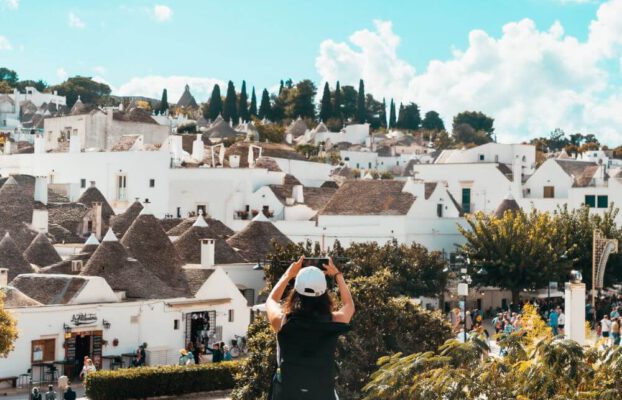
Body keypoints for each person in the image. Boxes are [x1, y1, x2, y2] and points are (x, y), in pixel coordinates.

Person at [266, 256, 355, 400]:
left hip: (287, 394)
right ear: (324, 292)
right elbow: (349, 306)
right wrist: (338, 275)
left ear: (295, 291)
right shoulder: (333, 321)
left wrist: (288, 275)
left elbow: (271, 300)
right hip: (323, 394)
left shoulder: (282, 322)